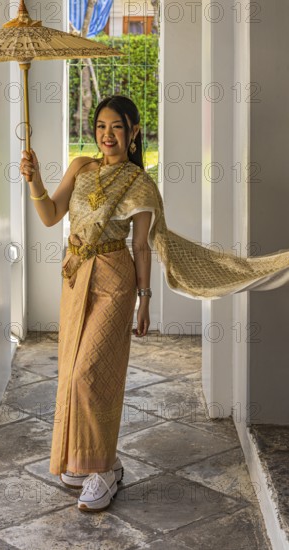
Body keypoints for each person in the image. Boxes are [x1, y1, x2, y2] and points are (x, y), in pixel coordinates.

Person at [20, 94, 289, 513]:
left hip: (114, 281)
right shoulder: (80, 168)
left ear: (133, 132)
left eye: (118, 127)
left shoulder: (139, 183)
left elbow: (142, 247)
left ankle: (105, 469)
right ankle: (85, 458)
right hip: (75, 278)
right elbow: (51, 215)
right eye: (102, 126)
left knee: (93, 375)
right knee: (70, 372)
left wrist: (144, 300)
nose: (108, 135)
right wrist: (33, 179)